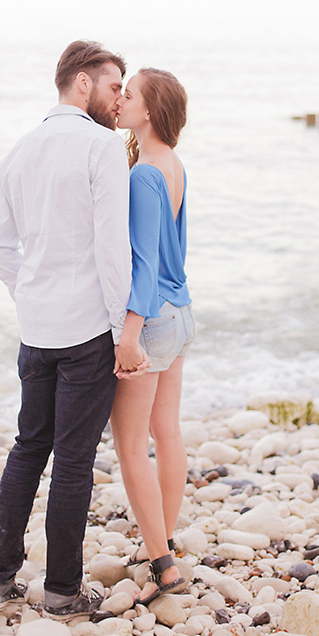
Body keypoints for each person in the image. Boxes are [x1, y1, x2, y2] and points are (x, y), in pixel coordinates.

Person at [0, 40, 149, 621]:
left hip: (37, 329)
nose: (117, 98)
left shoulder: (18, 152)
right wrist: (121, 332)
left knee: (29, 449)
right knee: (73, 462)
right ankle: (61, 592)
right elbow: (112, 250)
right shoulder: (102, 147)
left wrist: (29, 294)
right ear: (82, 83)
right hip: (86, 332)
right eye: (111, 86)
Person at [111, 68, 196, 607]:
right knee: (167, 431)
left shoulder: (143, 173)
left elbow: (142, 262)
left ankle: (162, 563)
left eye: (129, 94)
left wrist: (130, 334)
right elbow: (173, 253)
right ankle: (162, 538)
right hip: (182, 309)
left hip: (153, 317)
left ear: (150, 111)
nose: (119, 100)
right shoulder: (174, 163)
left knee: (129, 445)